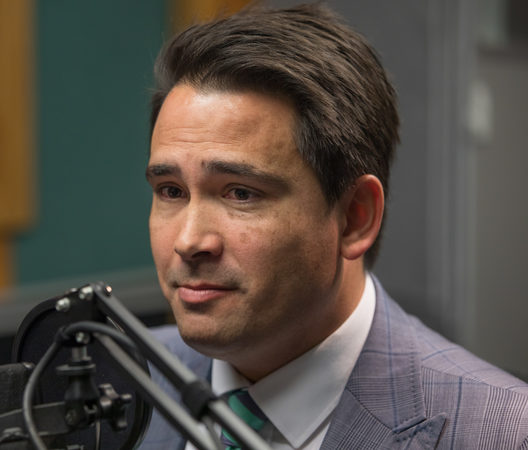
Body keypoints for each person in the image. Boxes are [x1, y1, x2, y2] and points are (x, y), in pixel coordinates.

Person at [138, 4, 528, 449]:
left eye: (240, 193)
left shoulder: (502, 433)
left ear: (354, 218)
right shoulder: (121, 377)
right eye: (171, 191)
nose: (189, 242)